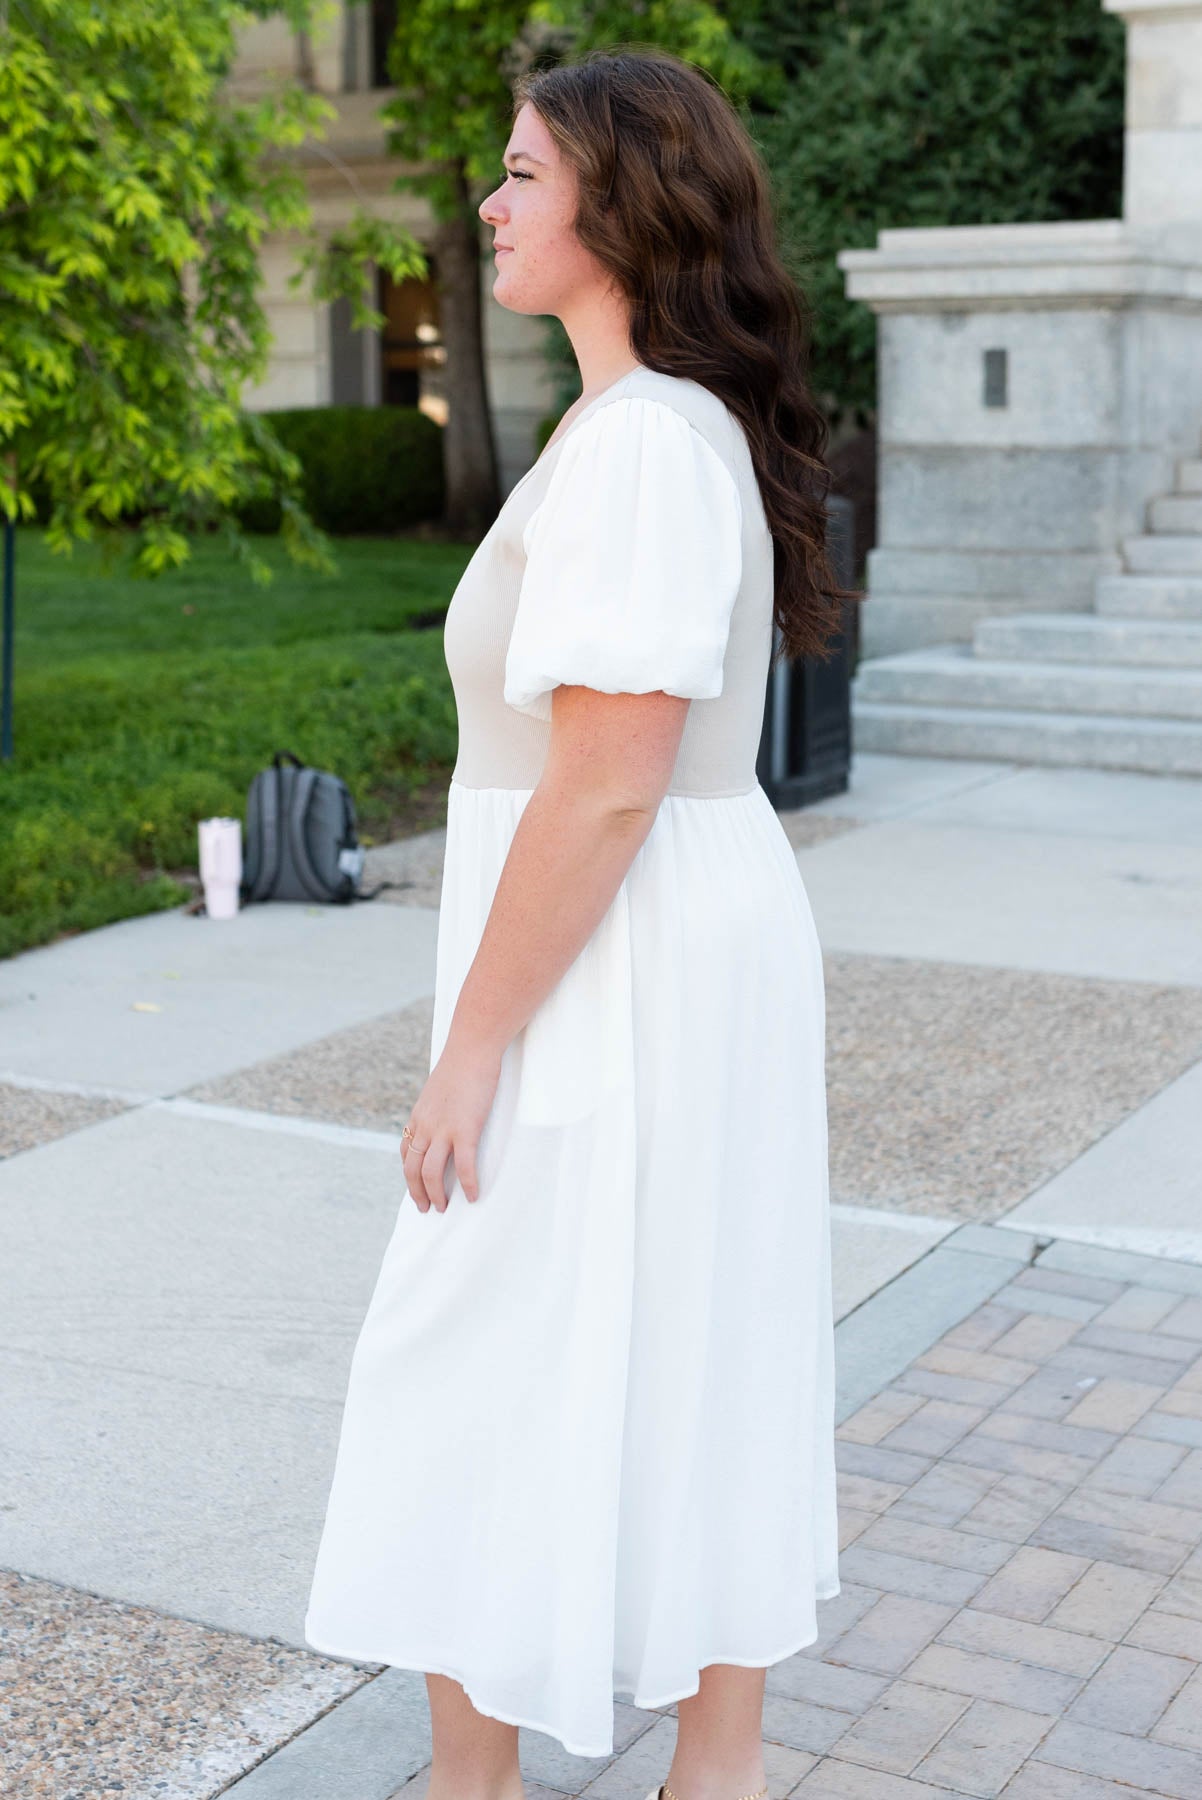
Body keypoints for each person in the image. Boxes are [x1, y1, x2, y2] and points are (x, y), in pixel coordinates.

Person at [304, 45, 852, 1800]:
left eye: (525, 174)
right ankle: (705, 1772)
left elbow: (606, 779)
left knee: (480, 1353)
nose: (490, 201)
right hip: (666, 945)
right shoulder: (665, 433)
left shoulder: (634, 447)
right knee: (685, 1344)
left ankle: (484, 1787)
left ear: (620, 208)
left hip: (617, 965)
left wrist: (467, 1045)